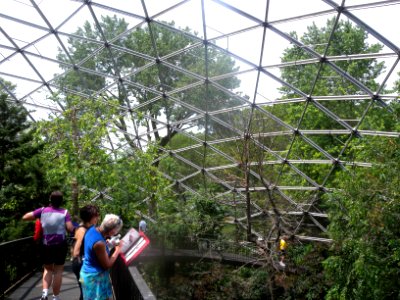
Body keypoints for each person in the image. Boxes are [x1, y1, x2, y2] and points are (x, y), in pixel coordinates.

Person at [22, 191, 74, 300]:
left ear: (50, 200)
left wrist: (38, 218)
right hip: (60, 245)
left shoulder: (42, 211)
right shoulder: (65, 212)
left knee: (48, 269)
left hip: (46, 245)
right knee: (58, 270)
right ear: (61, 201)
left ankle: (44, 294)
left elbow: (25, 217)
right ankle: (55, 297)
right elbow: (70, 228)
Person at [80, 214, 123, 300]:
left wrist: (108, 244)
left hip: (88, 272)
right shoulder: (99, 243)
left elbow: (93, 249)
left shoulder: (92, 230)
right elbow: (107, 265)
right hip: (94, 277)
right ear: (111, 232)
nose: (115, 234)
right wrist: (118, 250)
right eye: (115, 232)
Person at [72, 205, 100, 300]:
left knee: (86, 292)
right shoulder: (82, 230)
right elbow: (76, 251)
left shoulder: (87, 228)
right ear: (91, 217)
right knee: (86, 292)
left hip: (83, 263)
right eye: (96, 215)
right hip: (81, 264)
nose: (98, 217)